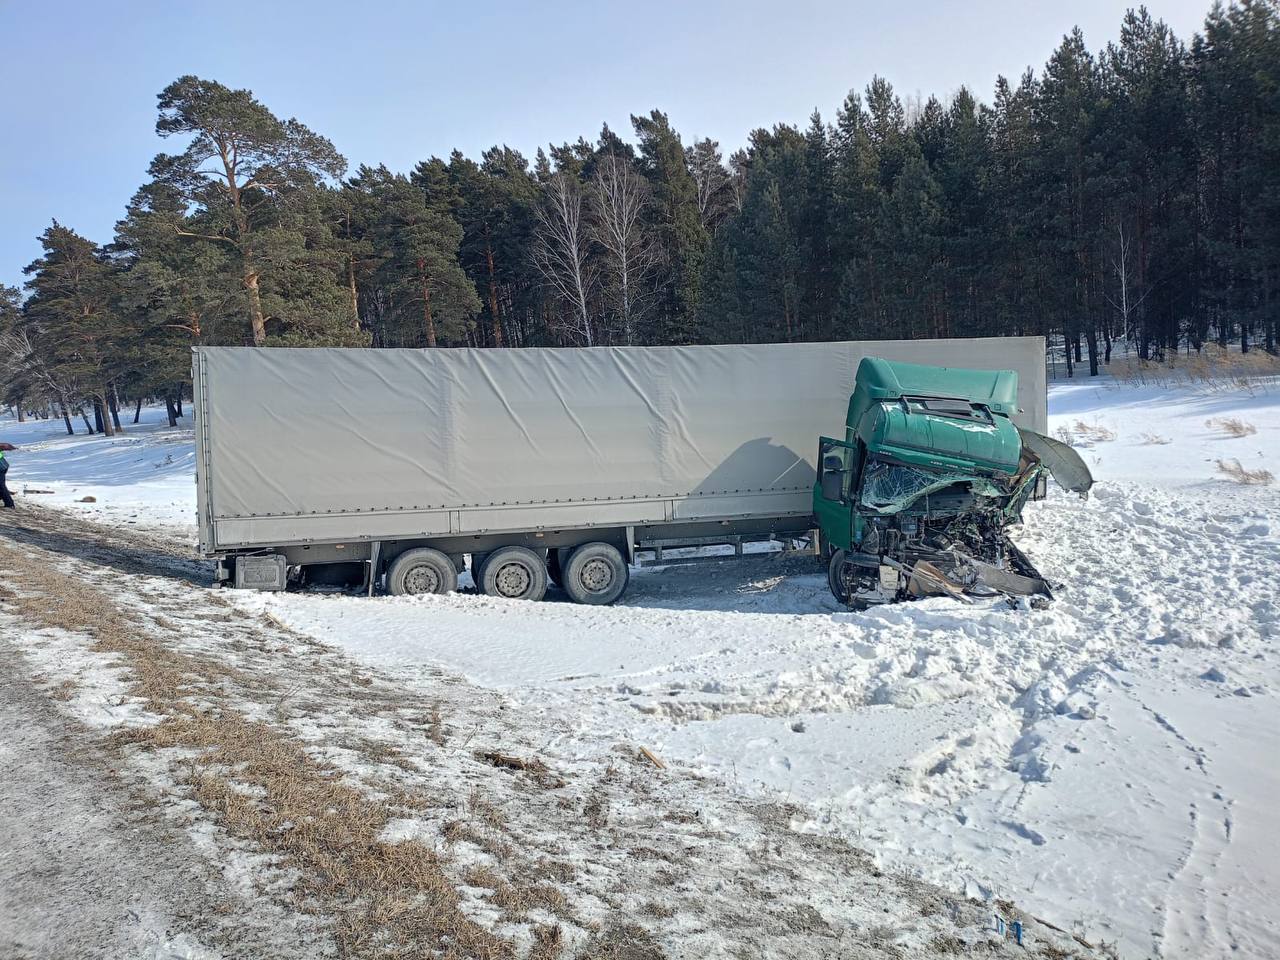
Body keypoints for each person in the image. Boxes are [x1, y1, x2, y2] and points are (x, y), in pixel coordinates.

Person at [0, 441, 15, 509]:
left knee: (1, 486)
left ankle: (9, 504)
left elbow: (4, 446)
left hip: (1, 467)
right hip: (3, 466)